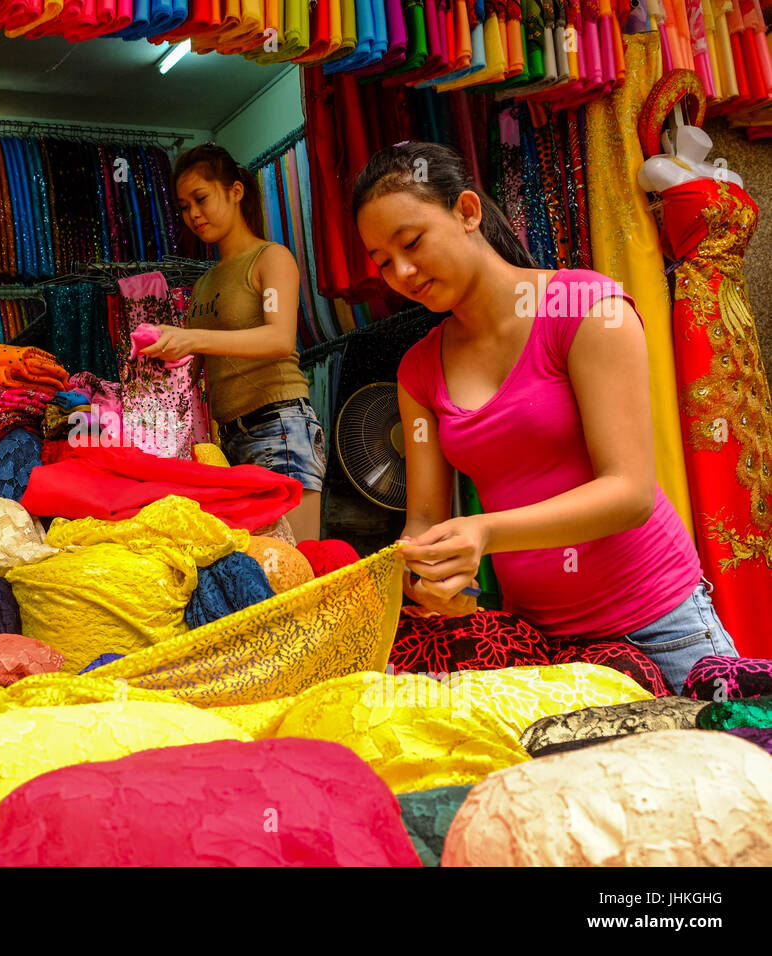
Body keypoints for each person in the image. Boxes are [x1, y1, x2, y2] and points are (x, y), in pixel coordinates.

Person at [353, 140, 738, 693]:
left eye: (411, 242)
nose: (404, 271)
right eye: (384, 263)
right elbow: (426, 518)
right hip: (538, 644)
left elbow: (629, 493)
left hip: (659, 625)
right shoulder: (417, 371)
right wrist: (423, 573)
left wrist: (483, 532)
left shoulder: (586, 309)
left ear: (466, 211)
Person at [141, 143, 326, 541]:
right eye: (184, 205)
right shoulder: (206, 281)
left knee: (293, 571)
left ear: (236, 192)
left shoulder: (271, 258)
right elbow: (197, 369)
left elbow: (280, 339)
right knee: (257, 576)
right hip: (230, 441)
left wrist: (190, 337)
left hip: (280, 428)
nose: (193, 214)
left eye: (201, 199)